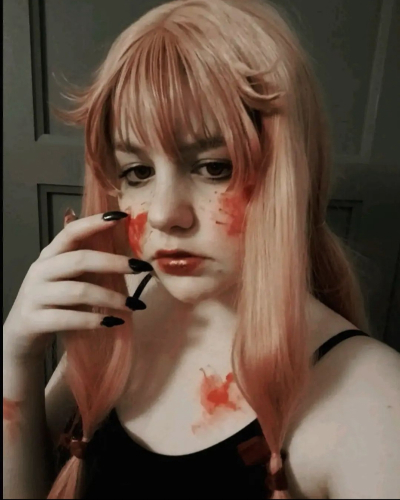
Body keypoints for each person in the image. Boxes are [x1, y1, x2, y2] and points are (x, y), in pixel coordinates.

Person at [3, 0, 400, 498]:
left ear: (289, 174)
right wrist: (16, 355)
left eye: (214, 167)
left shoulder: (374, 402)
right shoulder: (125, 305)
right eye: (138, 172)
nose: (165, 213)